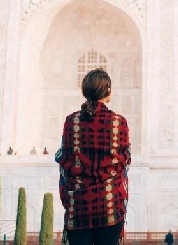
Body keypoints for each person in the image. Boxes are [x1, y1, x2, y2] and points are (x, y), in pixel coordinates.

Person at [56, 68, 130, 245]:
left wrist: (69, 198)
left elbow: (64, 161)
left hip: (78, 207)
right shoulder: (118, 122)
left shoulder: (71, 122)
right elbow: (124, 163)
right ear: (108, 91)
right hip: (109, 206)